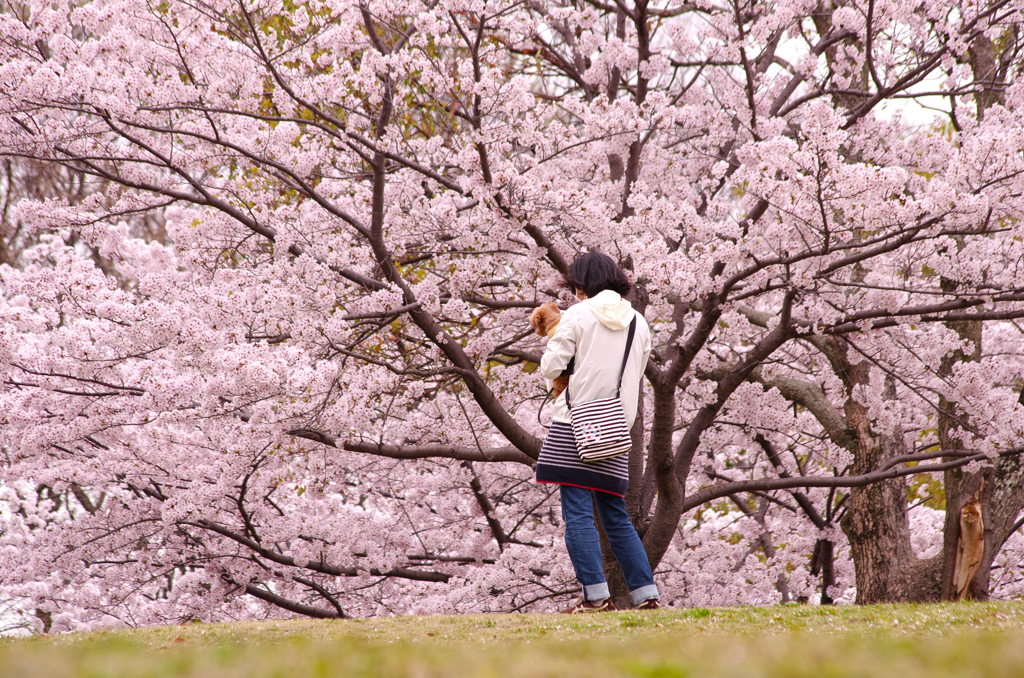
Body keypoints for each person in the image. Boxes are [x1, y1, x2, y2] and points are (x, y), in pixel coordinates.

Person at [535, 252, 660, 612]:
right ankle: (645, 594)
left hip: (575, 423)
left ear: (582, 285)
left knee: (576, 511)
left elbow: (551, 366)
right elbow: (634, 375)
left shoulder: (577, 315)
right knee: (614, 514)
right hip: (616, 427)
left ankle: (595, 596)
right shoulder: (638, 322)